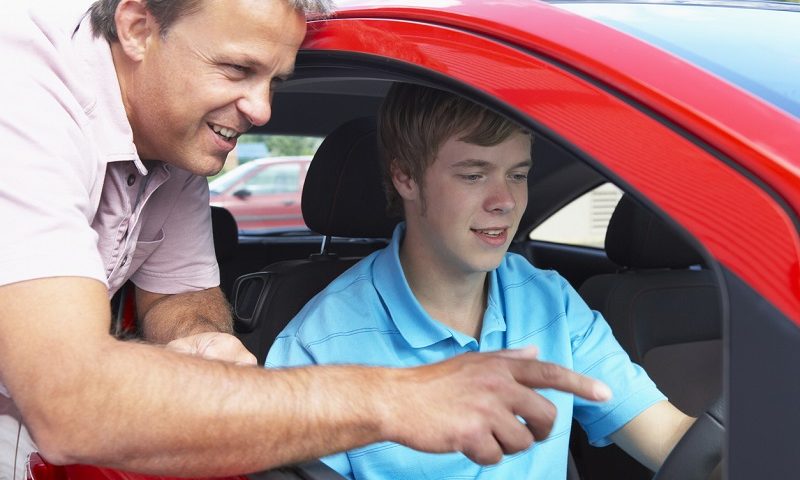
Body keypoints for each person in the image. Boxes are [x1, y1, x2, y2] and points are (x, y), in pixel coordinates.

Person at [0, 1, 612, 478]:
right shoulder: (23, 99)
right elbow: (71, 401)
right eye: (238, 69)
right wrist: (396, 400)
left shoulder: (174, 140)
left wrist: (205, 344)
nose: (263, 109)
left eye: (274, 79)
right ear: (136, 28)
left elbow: (179, 296)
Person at [266, 83, 696, 479]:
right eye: (474, 175)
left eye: (518, 174)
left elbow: (671, 439)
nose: (505, 201)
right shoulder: (316, 345)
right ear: (406, 178)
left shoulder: (551, 300)